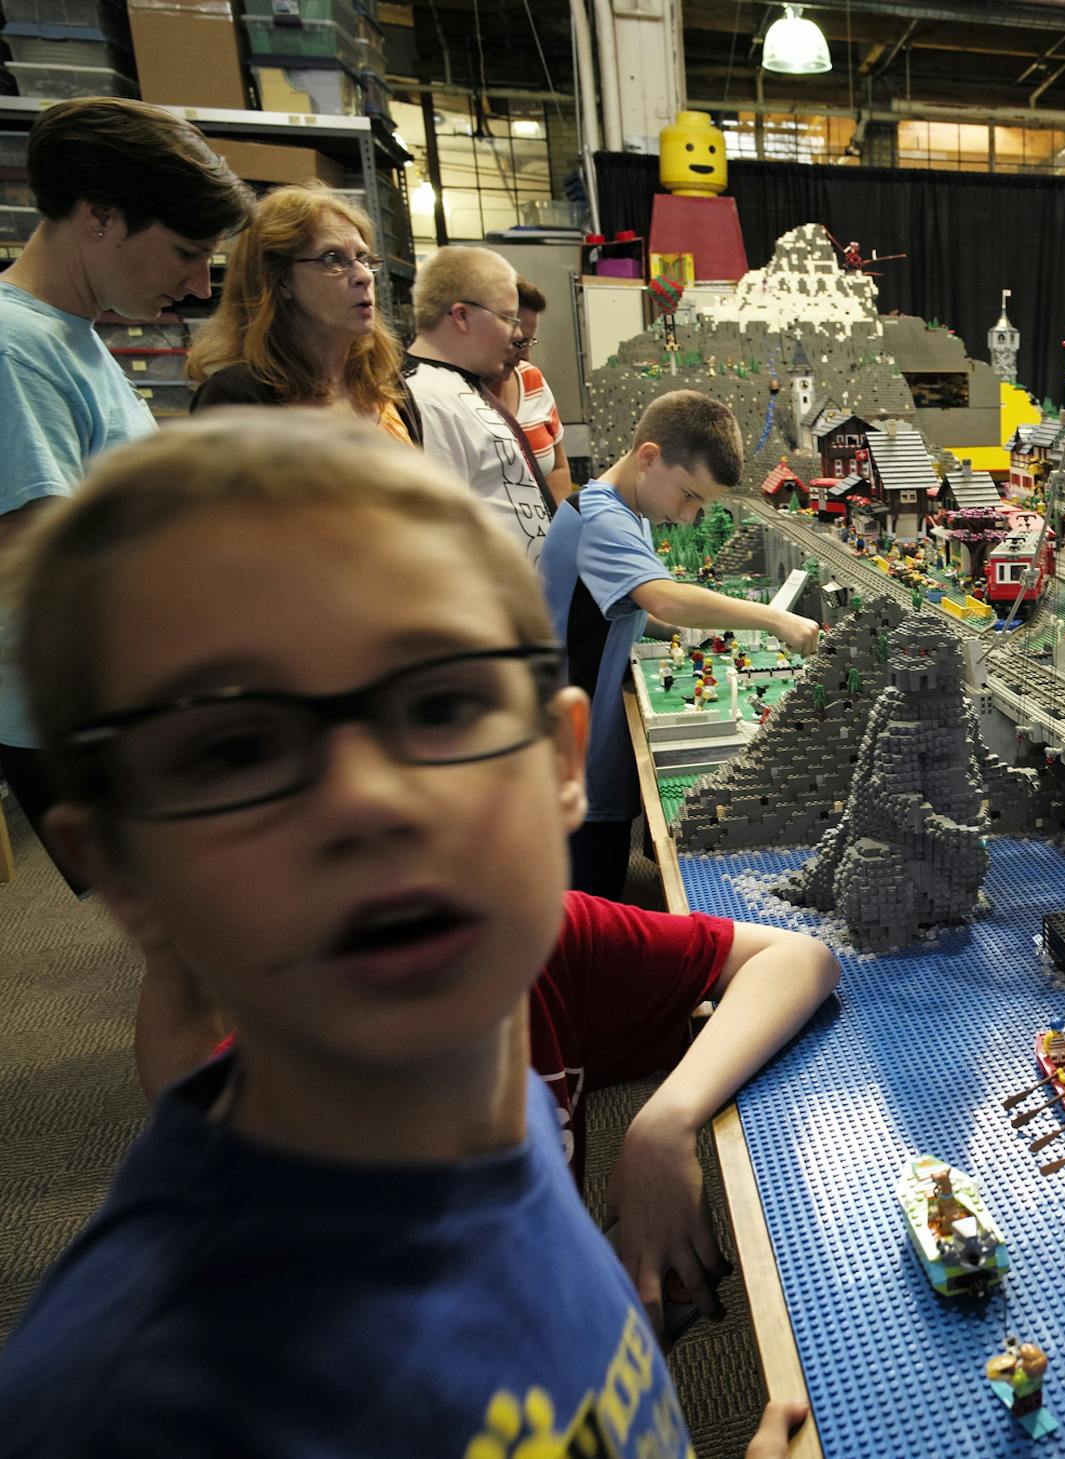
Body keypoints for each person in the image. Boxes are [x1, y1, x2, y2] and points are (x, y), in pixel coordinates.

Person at [0, 411, 812, 1457]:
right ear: (119, 868)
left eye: (438, 704)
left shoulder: (510, 1087)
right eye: (236, 749)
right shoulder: (123, 1409)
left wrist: (661, 1123)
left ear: (564, 763)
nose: (369, 802)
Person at [0, 97, 253, 889]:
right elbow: (37, 574)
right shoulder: (17, 349)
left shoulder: (73, 336)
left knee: (203, 959)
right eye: (184, 251)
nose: (197, 281)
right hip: (92, 717)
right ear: (100, 217)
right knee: (200, 955)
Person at [538, 390, 820, 901]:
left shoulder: (626, 511)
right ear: (649, 458)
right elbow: (664, 600)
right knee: (588, 905)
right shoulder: (600, 518)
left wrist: (689, 634)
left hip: (579, 753)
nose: (690, 516)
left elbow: (625, 611)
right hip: (568, 767)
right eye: (689, 496)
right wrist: (774, 619)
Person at [187, 182, 420, 444]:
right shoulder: (235, 399)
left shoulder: (384, 387)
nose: (364, 276)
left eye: (363, 258)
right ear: (281, 279)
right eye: (333, 259)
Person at [406, 245, 553, 563]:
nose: (516, 335)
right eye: (509, 319)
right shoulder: (429, 399)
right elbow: (444, 537)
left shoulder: (460, 387)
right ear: (462, 316)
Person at [494, 273, 575, 503]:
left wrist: (558, 530)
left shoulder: (532, 379)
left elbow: (558, 468)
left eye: (529, 342)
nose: (526, 355)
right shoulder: (459, 395)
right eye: (518, 343)